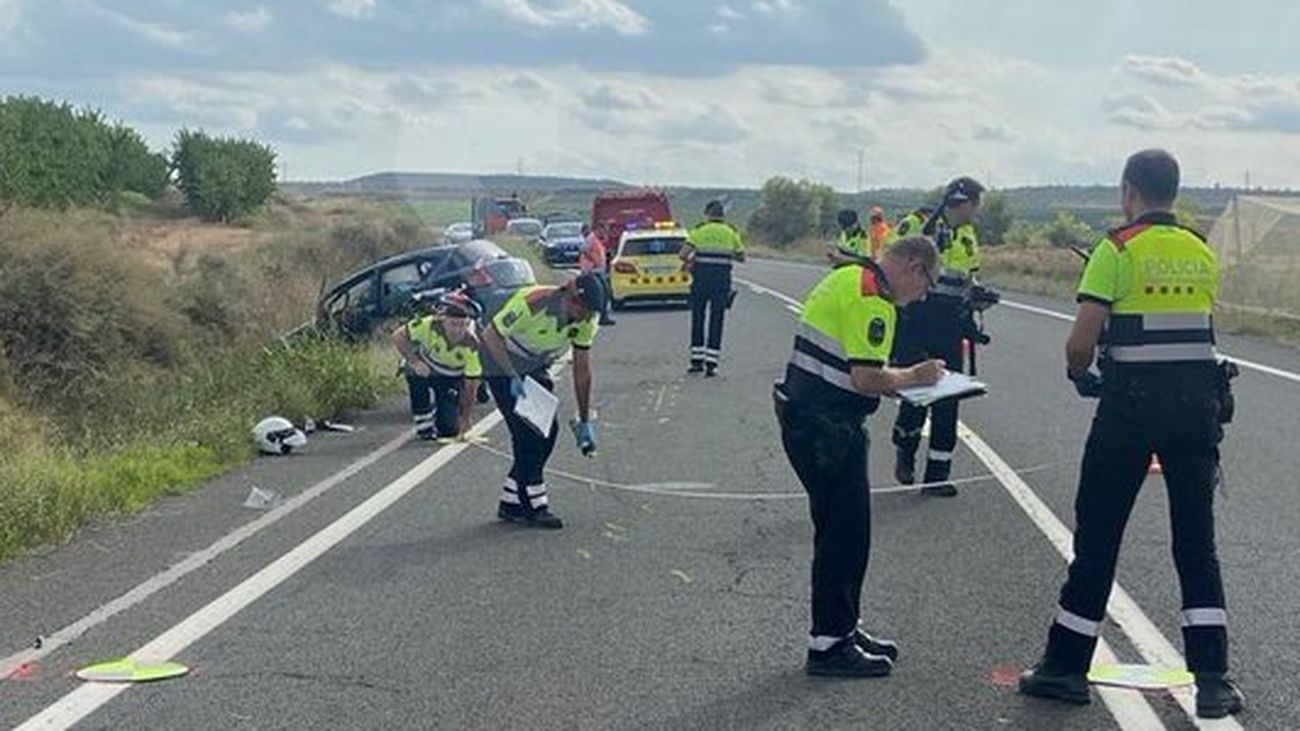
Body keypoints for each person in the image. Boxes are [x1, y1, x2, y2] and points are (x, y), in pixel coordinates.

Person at [1019, 149, 1244, 719]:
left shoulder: (1116, 249)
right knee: (1196, 542)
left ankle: (1066, 667)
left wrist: (1080, 374)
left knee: (1098, 537)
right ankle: (1214, 679)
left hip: (1130, 408)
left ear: (1128, 191)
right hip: (1197, 407)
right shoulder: (1199, 249)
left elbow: (1081, 342)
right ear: (1174, 190)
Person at [775, 236, 945, 677]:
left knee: (840, 528)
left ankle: (843, 626)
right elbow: (866, 376)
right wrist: (917, 376)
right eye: (927, 283)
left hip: (808, 416)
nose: (923, 295)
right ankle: (829, 645)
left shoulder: (849, 276)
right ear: (912, 266)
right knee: (845, 535)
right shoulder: (874, 299)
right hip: (827, 428)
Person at [478, 272, 605, 529]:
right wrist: (512, 375)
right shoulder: (533, 302)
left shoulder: (587, 320)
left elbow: (582, 370)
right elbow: (491, 336)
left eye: (592, 313)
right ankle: (536, 505)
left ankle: (511, 501)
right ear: (570, 298)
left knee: (548, 432)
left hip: (533, 364)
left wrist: (584, 420)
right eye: (584, 310)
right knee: (530, 434)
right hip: (499, 360)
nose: (587, 318)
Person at [890, 178, 984, 497]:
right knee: (918, 394)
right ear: (966, 203)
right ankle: (905, 446)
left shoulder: (968, 235)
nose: (976, 213)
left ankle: (937, 476)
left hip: (951, 324)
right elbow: (892, 267)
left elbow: (969, 276)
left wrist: (977, 298)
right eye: (976, 205)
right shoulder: (916, 225)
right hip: (915, 320)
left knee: (948, 399)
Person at [390, 292, 483, 441]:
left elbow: (471, 384)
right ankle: (423, 422)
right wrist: (414, 361)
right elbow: (398, 336)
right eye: (453, 324)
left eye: (462, 325)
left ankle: (442, 411)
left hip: (451, 376)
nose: (457, 331)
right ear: (443, 320)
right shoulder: (428, 324)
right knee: (413, 373)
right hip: (426, 366)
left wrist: (466, 418)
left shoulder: (472, 344)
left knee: (449, 430)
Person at [682, 200, 745, 376]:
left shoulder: (699, 231)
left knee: (698, 319)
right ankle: (712, 364)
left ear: (707, 214)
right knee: (717, 320)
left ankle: (696, 361)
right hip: (721, 282)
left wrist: (692, 261)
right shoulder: (730, 232)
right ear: (723, 216)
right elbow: (741, 257)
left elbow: (682, 254)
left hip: (700, 281)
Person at [581, 224, 616, 326]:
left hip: (598, 272)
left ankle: (602, 317)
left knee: (605, 293)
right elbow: (583, 249)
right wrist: (593, 261)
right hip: (591, 272)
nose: (604, 232)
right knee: (601, 295)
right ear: (598, 229)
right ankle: (600, 318)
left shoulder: (596, 239)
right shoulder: (591, 238)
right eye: (603, 230)